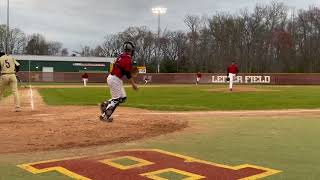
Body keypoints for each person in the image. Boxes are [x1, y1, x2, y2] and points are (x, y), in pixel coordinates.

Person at [100, 41, 138, 122]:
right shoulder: (127, 59)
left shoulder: (121, 56)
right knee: (116, 100)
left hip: (115, 78)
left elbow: (124, 69)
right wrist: (133, 84)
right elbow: (127, 73)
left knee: (123, 98)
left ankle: (105, 104)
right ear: (131, 49)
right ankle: (105, 116)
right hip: (115, 79)